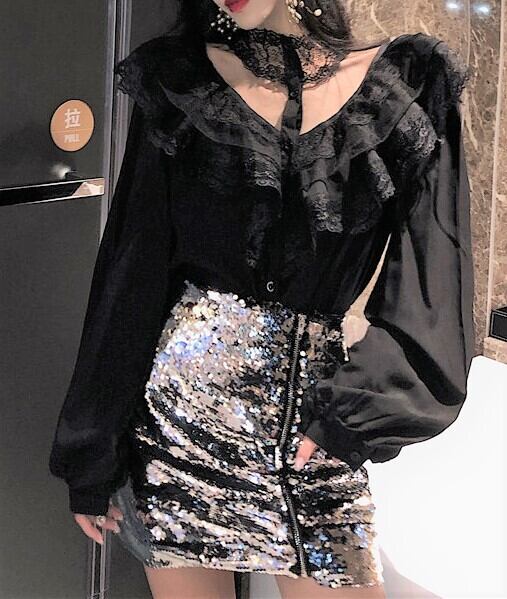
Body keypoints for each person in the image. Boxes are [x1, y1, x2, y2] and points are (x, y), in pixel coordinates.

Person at [48, 0, 476, 597]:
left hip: (313, 436)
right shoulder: (180, 83)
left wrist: (355, 416)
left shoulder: (406, 88)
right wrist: (92, 452)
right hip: (173, 432)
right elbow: (131, 275)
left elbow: (434, 285)